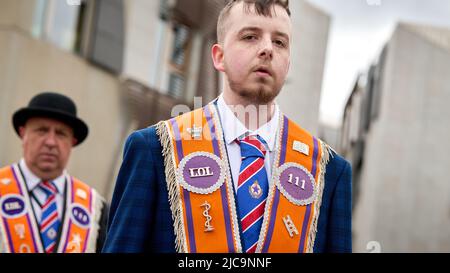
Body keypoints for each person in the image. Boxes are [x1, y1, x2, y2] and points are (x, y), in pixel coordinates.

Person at [103, 0, 351, 253]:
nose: (267, 49)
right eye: (250, 36)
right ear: (219, 57)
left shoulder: (329, 171)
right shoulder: (154, 149)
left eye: (279, 42)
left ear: (288, 64)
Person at [0, 92, 108, 253]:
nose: (51, 142)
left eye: (61, 133)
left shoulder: (95, 208)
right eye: (42, 130)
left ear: (73, 141)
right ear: (23, 134)